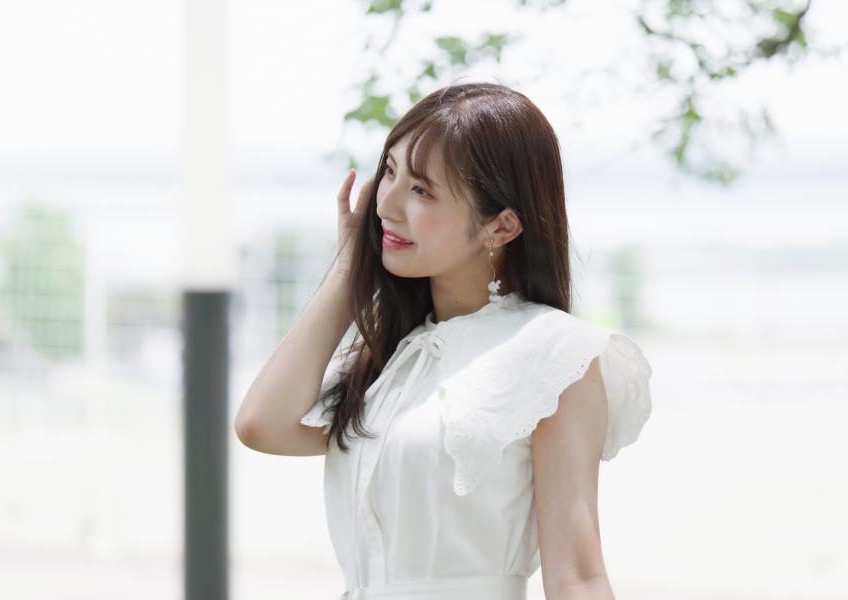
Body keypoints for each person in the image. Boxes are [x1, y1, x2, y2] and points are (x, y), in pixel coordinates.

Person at [234, 82, 653, 600]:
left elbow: (578, 577)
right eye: (389, 172)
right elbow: (261, 425)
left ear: (501, 227)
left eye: (422, 190)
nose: (386, 205)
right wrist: (349, 269)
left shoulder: (553, 355)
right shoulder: (394, 359)